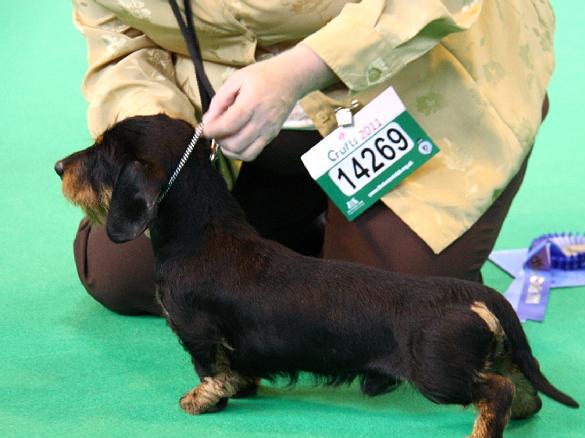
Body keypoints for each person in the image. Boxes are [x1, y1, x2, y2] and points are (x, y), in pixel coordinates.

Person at [70, 0, 554, 315]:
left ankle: (365, 229)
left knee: (378, 312)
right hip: (220, 115)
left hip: (412, 78)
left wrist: (302, 70)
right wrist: (166, 144)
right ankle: (308, 228)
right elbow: (124, 44)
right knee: (127, 275)